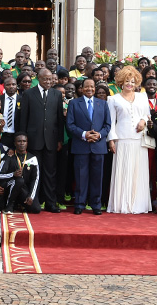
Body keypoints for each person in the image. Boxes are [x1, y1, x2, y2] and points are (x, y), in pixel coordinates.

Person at [105, 66, 152, 214]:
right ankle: (121, 204)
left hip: (139, 139)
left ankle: (138, 204)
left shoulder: (142, 97)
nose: (130, 84)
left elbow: (147, 114)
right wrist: (111, 140)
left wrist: (143, 121)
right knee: (123, 171)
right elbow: (111, 122)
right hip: (122, 139)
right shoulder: (113, 99)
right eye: (127, 81)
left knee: (138, 172)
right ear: (121, 82)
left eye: (132, 81)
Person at [18, 68, 65, 213]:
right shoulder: (28, 94)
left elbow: (59, 119)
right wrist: (23, 140)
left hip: (51, 141)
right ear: (38, 78)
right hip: (33, 140)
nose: (49, 82)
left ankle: (51, 203)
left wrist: (59, 140)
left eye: (51, 79)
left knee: (50, 173)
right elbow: (23, 119)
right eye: (45, 79)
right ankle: (33, 202)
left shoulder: (56, 94)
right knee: (33, 173)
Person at [66, 79, 111, 215]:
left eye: (92, 86)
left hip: (98, 146)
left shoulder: (103, 104)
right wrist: (84, 134)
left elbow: (107, 125)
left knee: (97, 177)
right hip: (81, 145)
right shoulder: (74, 103)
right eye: (87, 87)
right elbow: (70, 124)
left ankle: (96, 204)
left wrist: (99, 135)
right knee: (81, 176)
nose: (90, 89)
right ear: (82, 88)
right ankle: (79, 204)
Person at [0, 132, 42, 214]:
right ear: (14, 143)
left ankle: (20, 203)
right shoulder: (9, 156)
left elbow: (35, 179)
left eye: (24, 141)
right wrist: (13, 174)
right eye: (19, 141)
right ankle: (9, 205)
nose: (22, 143)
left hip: (23, 189)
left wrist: (30, 196)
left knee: (36, 209)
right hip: (9, 188)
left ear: (27, 143)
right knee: (19, 180)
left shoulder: (32, 158)